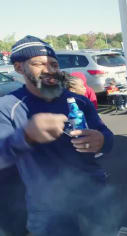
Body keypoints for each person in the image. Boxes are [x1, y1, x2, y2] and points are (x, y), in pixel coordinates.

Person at [0, 35, 115, 236]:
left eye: (53, 64)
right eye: (39, 64)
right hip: (48, 211)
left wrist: (102, 140)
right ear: (19, 68)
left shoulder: (79, 101)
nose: (50, 69)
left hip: (94, 197)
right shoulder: (8, 107)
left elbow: (107, 136)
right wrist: (26, 135)